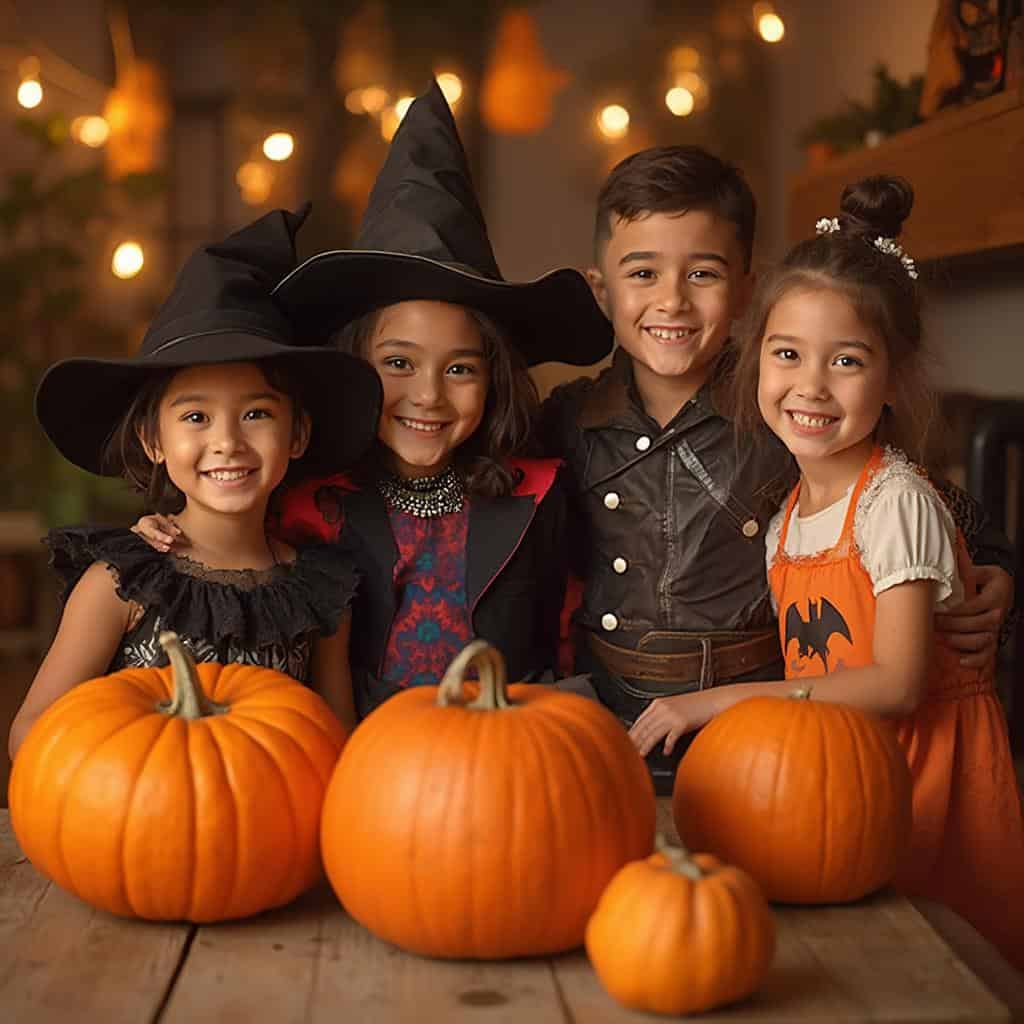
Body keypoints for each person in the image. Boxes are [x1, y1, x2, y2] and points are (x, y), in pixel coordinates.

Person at [629, 175, 1024, 967]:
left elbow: (894, 685)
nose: (810, 386)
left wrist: (716, 703)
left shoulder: (895, 501)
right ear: (758, 360)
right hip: (845, 792)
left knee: (941, 975)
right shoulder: (784, 522)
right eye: (787, 354)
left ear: (894, 374)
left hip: (930, 785)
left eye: (845, 360)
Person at [540, 146, 1015, 795]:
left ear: (744, 288)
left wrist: (999, 573)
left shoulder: (783, 404)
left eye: (702, 274)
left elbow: (926, 504)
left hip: (765, 716)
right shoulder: (569, 421)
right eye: (643, 273)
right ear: (602, 289)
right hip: (612, 705)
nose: (672, 301)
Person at [135, 81, 612, 720]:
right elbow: (227, 546)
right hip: (362, 765)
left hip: (510, 758)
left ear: (496, 377)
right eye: (397, 364)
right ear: (353, 367)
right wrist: (165, 533)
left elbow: (579, 621)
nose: (429, 396)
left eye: (461, 369)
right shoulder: (303, 502)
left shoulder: (544, 493)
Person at [9, 207, 383, 757]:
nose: (227, 441)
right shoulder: (120, 583)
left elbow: (338, 744)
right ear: (152, 441)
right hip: (135, 822)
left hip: (276, 832)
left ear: (297, 435)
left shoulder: (320, 594)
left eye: (257, 414)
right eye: (195, 417)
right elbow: (31, 735)